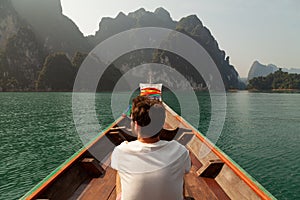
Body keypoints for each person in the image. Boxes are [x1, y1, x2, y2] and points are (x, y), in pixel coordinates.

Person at [111, 96, 191, 200]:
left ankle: (119, 197)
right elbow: (186, 170)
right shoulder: (180, 151)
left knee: (120, 171)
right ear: (162, 124)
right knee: (179, 171)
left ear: (136, 125)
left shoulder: (121, 151)